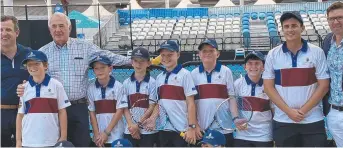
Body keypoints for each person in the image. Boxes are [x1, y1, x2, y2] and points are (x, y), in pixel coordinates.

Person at [16, 12, 132, 146]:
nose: (57, 30)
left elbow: (108, 56)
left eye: (61, 26)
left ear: (69, 28)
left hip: (79, 107)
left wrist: (133, 61)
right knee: (58, 144)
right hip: (55, 110)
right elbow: (34, 74)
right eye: (54, 26)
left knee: (81, 144)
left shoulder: (85, 47)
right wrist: (24, 85)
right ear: (49, 30)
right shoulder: (43, 52)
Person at [263, 11, 330, 147]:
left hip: (312, 120)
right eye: (286, 26)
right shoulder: (273, 54)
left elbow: (324, 85)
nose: (290, 29)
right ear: (282, 30)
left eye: (294, 25)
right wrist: (289, 112)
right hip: (283, 121)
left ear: (302, 28)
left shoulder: (317, 52)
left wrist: (302, 111)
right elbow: (268, 87)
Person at [148, 40, 202, 146]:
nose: (166, 58)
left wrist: (191, 127)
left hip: (182, 129)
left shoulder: (185, 75)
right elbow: (159, 104)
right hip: (164, 130)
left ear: (178, 55)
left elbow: (191, 103)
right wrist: (153, 118)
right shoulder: (159, 78)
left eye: (170, 55)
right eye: (163, 55)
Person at [190, 39, 242, 147]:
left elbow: (231, 98)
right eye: (204, 51)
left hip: (224, 129)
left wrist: (236, 118)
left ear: (217, 54)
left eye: (211, 50)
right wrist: (195, 125)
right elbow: (192, 103)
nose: (207, 53)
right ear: (199, 54)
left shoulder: (226, 71)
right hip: (202, 130)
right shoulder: (193, 74)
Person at [16, 50, 71, 147]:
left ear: (45, 66)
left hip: (52, 141)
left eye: (37, 63)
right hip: (28, 141)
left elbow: (62, 111)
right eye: (29, 65)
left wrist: (63, 137)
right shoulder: (24, 88)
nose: (32, 67)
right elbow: (20, 116)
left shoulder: (56, 85)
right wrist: (18, 141)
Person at [1, 15, 31, 147]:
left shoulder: (29, 54)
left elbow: (41, 79)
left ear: (17, 32)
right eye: (1, 30)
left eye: (8, 29)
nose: (3, 33)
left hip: (25, 114)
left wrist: (29, 85)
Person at [233, 51, 273, 147]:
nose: (253, 66)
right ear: (245, 67)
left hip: (264, 135)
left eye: (257, 63)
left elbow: (274, 109)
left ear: (263, 67)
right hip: (242, 135)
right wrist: (236, 119)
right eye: (250, 63)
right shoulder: (237, 84)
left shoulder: (269, 85)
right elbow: (232, 105)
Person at [121, 47, 158, 147]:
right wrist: (132, 127)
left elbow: (152, 106)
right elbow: (125, 108)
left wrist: (138, 125)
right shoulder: (126, 83)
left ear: (148, 63)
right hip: (130, 130)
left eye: (142, 61)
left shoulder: (153, 82)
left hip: (147, 131)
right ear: (131, 62)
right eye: (136, 61)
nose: (138, 64)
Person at [87, 56, 125, 147]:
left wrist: (106, 133)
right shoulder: (91, 88)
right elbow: (92, 113)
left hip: (117, 135)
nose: (99, 71)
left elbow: (119, 111)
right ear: (93, 71)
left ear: (110, 68)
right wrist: (96, 135)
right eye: (96, 68)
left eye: (103, 67)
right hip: (99, 138)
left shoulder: (119, 87)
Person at [322, 2, 343, 147]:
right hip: (333, 111)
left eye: (340, 17)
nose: (336, 21)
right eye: (332, 18)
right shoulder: (327, 40)